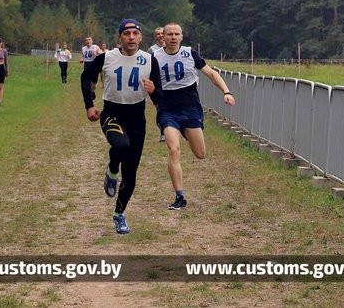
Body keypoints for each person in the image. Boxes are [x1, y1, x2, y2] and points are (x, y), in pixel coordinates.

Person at [81, 19, 161, 234]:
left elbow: (159, 97)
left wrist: (153, 91)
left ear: (141, 37)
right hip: (112, 114)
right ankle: (112, 169)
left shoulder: (149, 60)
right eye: (127, 34)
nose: (131, 37)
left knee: (132, 174)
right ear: (120, 38)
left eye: (135, 33)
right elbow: (85, 76)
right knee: (121, 146)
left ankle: (119, 214)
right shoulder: (106, 57)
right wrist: (89, 105)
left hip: (137, 118)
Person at [153, 22, 235, 210]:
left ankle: (186, 132)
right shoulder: (154, 57)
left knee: (200, 154)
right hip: (168, 109)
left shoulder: (190, 53)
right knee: (174, 150)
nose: (173, 37)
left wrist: (226, 91)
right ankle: (180, 196)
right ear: (162, 37)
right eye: (170, 34)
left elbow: (211, 74)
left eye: (177, 34)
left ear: (182, 37)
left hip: (190, 107)